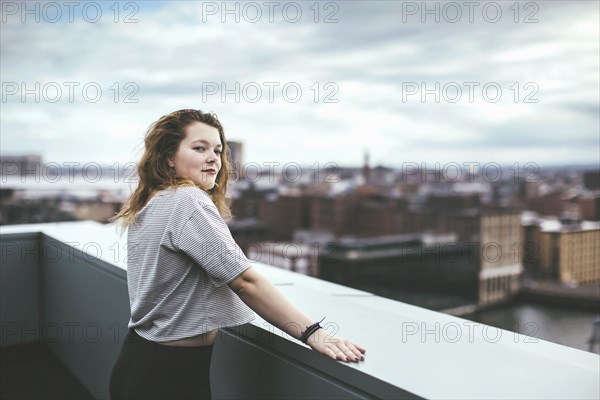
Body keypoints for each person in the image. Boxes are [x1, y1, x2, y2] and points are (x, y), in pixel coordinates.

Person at [108, 109, 366, 400]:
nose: (213, 158)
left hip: (143, 363)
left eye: (218, 150)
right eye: (199, 148)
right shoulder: (187, 200)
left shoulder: (151, 202)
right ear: (169, 156)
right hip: (167, 376)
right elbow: (245, 281)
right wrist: (312, 332)